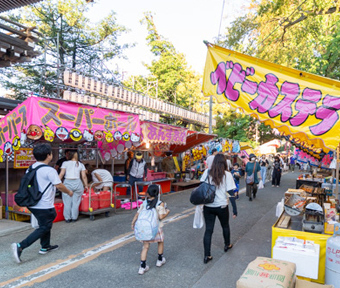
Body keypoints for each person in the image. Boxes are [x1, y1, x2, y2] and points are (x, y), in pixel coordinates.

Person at [11, 143, 73, 263]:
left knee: (46, 223)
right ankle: (20, 246)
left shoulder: (31, 168)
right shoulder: (49, 170)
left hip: (33, 202)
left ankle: (45, 246)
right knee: (45, 225)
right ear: (49, 155)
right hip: (44, 204)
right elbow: (59, 185)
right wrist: (69, 192)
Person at [200, 154, 237, 264]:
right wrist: (234, 208)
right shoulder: (227, 174)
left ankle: (207, 255)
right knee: (225, 226)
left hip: (208, 206)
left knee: (208, 230)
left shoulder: (207, 172)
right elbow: (230, 193)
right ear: (224, 163)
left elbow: (202, 186)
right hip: (222, 206)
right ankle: (227, 245)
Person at [131, 184, 170, 275]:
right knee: (160, 242)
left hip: (146, 229)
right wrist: (167, 212)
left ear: (148, 193)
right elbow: (161, 216)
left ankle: (142, 267)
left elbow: (137, 214)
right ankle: (160, 260)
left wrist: (133, 222)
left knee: (145, 247)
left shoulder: (144, 203)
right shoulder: (160, 203)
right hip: (156, 227)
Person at [59, 151, 88, 223]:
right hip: (78, 183)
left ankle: (67, 218)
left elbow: (61, 174)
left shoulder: (65, 163)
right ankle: (74, 217)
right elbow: (84, 176)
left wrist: (57, 183)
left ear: (69, 155)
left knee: (67, 202)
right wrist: (86, 185)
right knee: (76, 202)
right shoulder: (80, 164)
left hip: (67, 183)